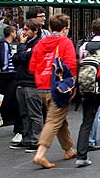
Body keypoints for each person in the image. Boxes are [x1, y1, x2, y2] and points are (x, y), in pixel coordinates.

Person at [28, 13, 77, 169]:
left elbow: (32, 67)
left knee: (58, 117)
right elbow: (71, 65)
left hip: (42, 86)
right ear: (64, 28)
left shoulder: (41, 43)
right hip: (58, 87)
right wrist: (73, 85)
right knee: (53, 120)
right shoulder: (65, 42)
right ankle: (40, 154)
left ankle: (69, 149)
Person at [75, 18, 100, 167]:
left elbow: (80, 62)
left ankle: (81, 156)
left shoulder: (84, 46)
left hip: (87, 86)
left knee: (86, 121)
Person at [12, 19, 44, 153]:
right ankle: (27, 138)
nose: (23, 32)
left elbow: (25, 58)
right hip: (21, 81)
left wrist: (21, 47)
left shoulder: (38, 44)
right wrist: (21, 52)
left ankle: (36, 141)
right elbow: (15, 59)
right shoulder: (26, 44)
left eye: (26, 29)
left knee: (34, 113)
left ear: (35, 30)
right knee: (24, 113)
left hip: (32, 82)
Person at [0, 25, 23, 148]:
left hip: (9, 76)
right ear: (11, 33)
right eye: (15, 31)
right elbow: (4, 62)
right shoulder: (4, 45)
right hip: (7, 77)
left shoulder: (5, 44)